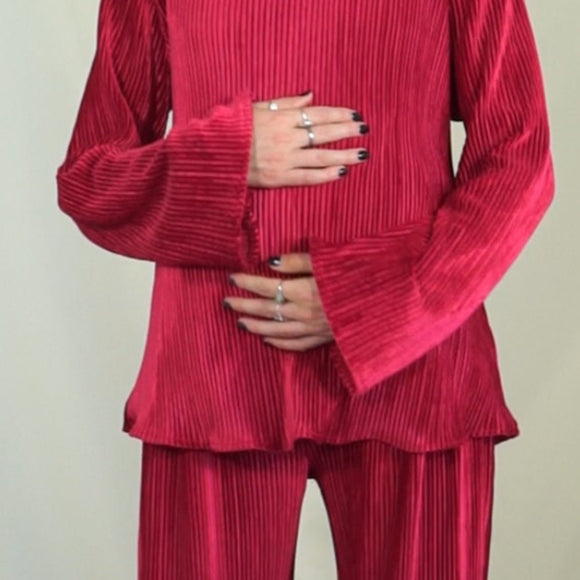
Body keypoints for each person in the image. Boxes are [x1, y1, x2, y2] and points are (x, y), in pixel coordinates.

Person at [56, 0, 555, 578]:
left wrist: (373, 303)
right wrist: (225, 158)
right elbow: (90, 181)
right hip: (216, 374)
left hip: (415, 376)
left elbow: (519, 160)